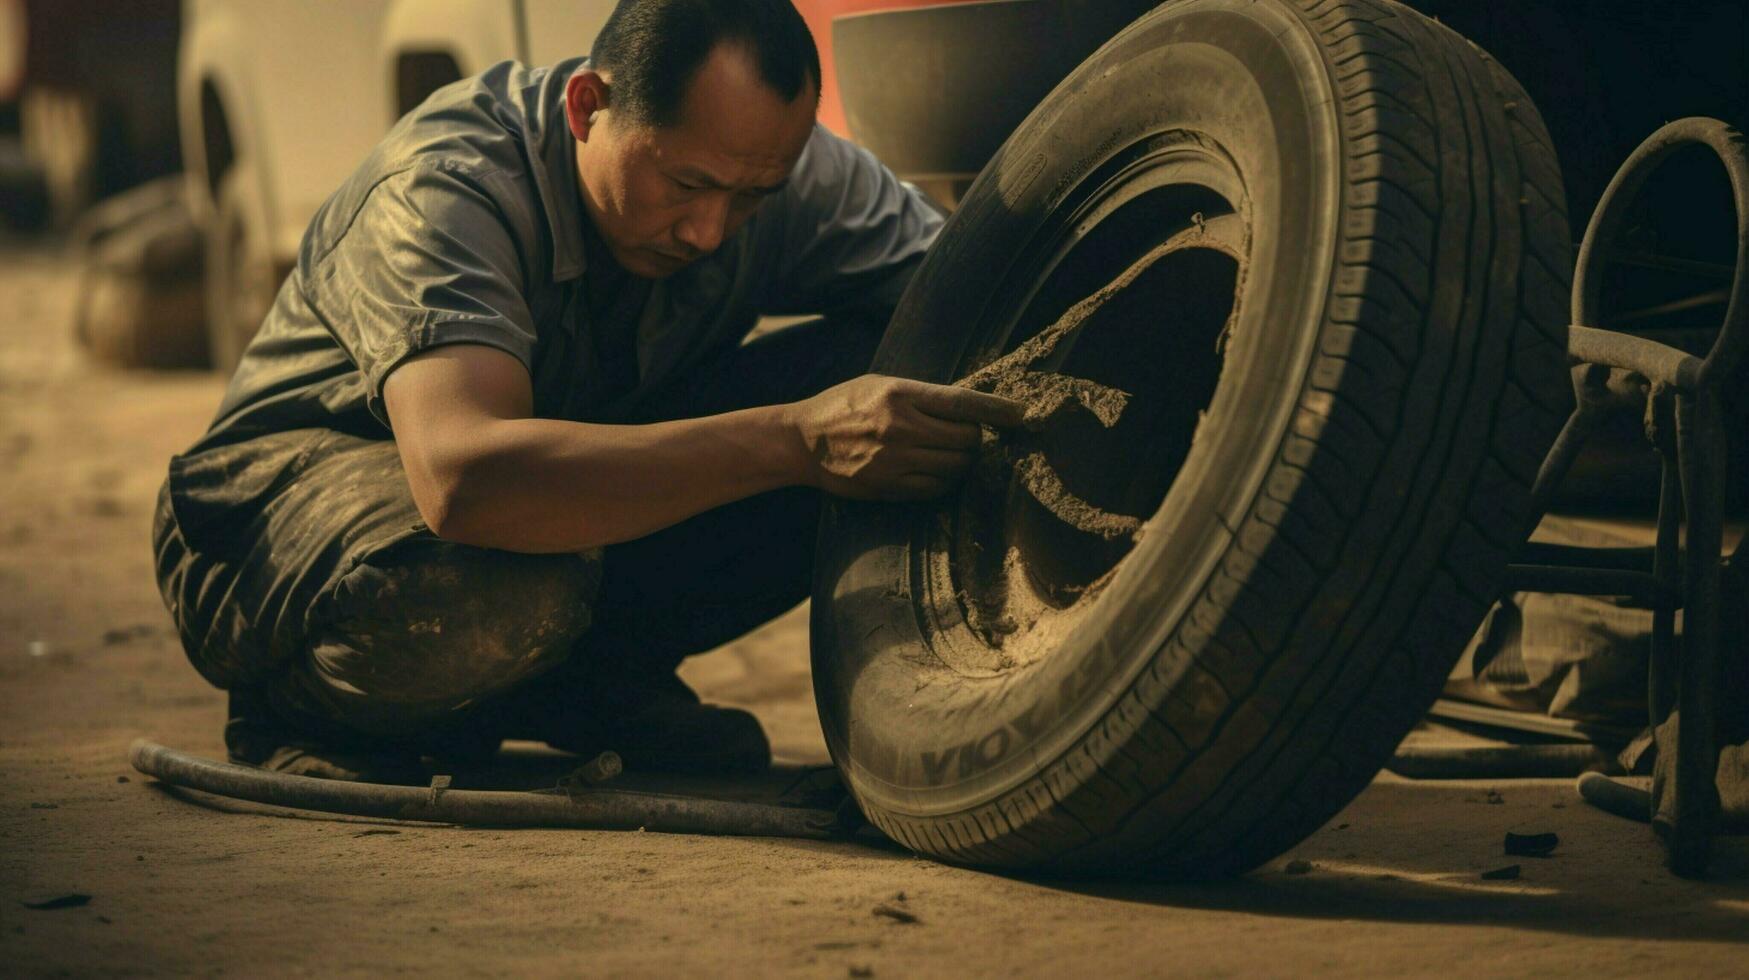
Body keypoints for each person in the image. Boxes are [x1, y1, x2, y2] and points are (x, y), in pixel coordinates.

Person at [151, 0, 1025, 781]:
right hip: (277, 524)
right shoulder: (444, 187)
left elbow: (988, 289)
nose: (711, 230)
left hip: (538, 500)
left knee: (899, 383)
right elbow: (465, 482)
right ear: (586, 107)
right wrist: (792, 441)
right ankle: (307, 706)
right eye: (685, 185)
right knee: (501, 588)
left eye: (752, 197)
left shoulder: (765, 170)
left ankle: (584, 681)